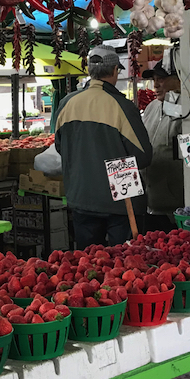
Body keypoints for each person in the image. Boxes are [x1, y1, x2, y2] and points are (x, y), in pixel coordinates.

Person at [54, 45, 153, 247]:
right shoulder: (122, 106)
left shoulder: (66, 103)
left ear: (90, 71)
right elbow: (143, 157)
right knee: (124, 267)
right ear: (116, 70)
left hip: (80, 198)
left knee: (88, 265)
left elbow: (59, 147)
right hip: (121, 203)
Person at [141, 65, 185, 233]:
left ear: (178, 79)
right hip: (149, 202)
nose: (156, 85)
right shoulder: (152, 107)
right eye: (154, 80)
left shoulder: (189, 109)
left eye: (161, 79)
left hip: (176, 208)